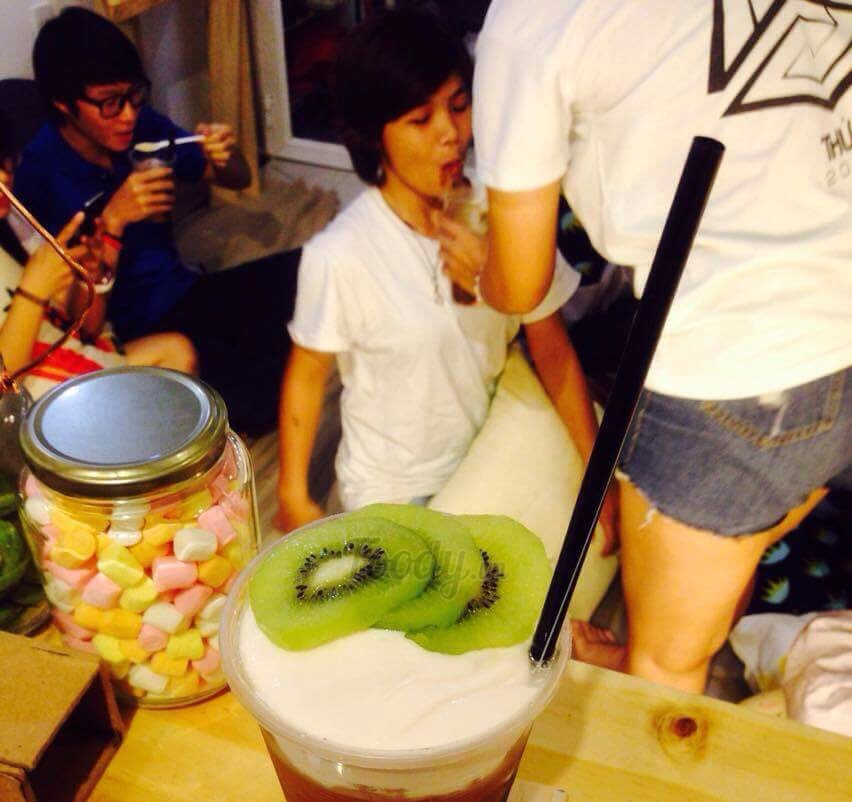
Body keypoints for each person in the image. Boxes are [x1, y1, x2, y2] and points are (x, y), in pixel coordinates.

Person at [462, 0, 852, 694]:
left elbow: (520, 285)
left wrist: (477, 267)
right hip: (827, 334)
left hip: (738, 373)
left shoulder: (534, 20)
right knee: (727, 539)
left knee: (665, 668)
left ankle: (658, 659)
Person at [277, 10, 618, 563]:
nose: (450, 135)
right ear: (374, 136)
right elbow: (308, 373)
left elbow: (552, 348)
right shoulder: (340, 255)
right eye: (420, 119)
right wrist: (293, 491)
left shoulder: (505, 217)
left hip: (491, 456)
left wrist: (596, 471)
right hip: (392, 491)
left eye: (459, 107)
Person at [14, 5, 299, 435]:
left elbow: (237, 178)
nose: (128, 115)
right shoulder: (40, 174)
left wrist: (226, 154)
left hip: (188, 291)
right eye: (110, 103)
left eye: (135, 96)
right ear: (63, 103)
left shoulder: (141, 127)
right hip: (131, 330)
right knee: (252, 395)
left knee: (310, 272)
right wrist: (113, 220)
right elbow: (81, 323)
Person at [1, 110, 195, 398]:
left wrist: (90, 277)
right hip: (36, 396)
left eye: (5, 163)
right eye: (110, 101)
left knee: (178, 352)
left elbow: (86, 327)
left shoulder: (16, 219)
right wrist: (32, 293)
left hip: (80, 354)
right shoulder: (44, 169)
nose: (4, 177)